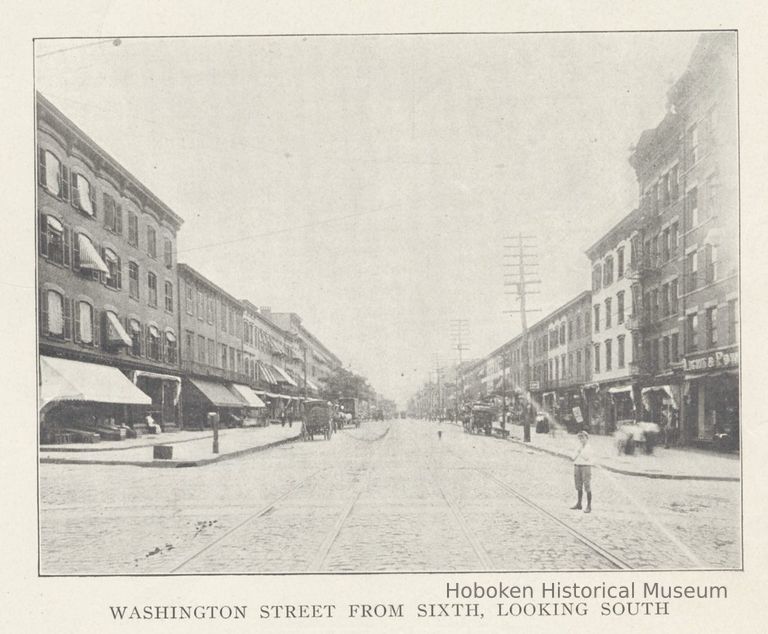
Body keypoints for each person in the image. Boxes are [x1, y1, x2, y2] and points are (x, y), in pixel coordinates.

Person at [571, 431, 593, 513]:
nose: (581, 440)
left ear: (587, 438)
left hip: (585, 466)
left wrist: (580, 451)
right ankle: (579, 503)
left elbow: (586, 457)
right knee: (578, 485)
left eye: (583, 438)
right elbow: (573, 457)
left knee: (587, 485)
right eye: (580, 438)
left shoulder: (589, 447)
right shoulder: (578, 447)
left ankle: (589, 506)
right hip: (577, 465)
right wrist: (578, 451)